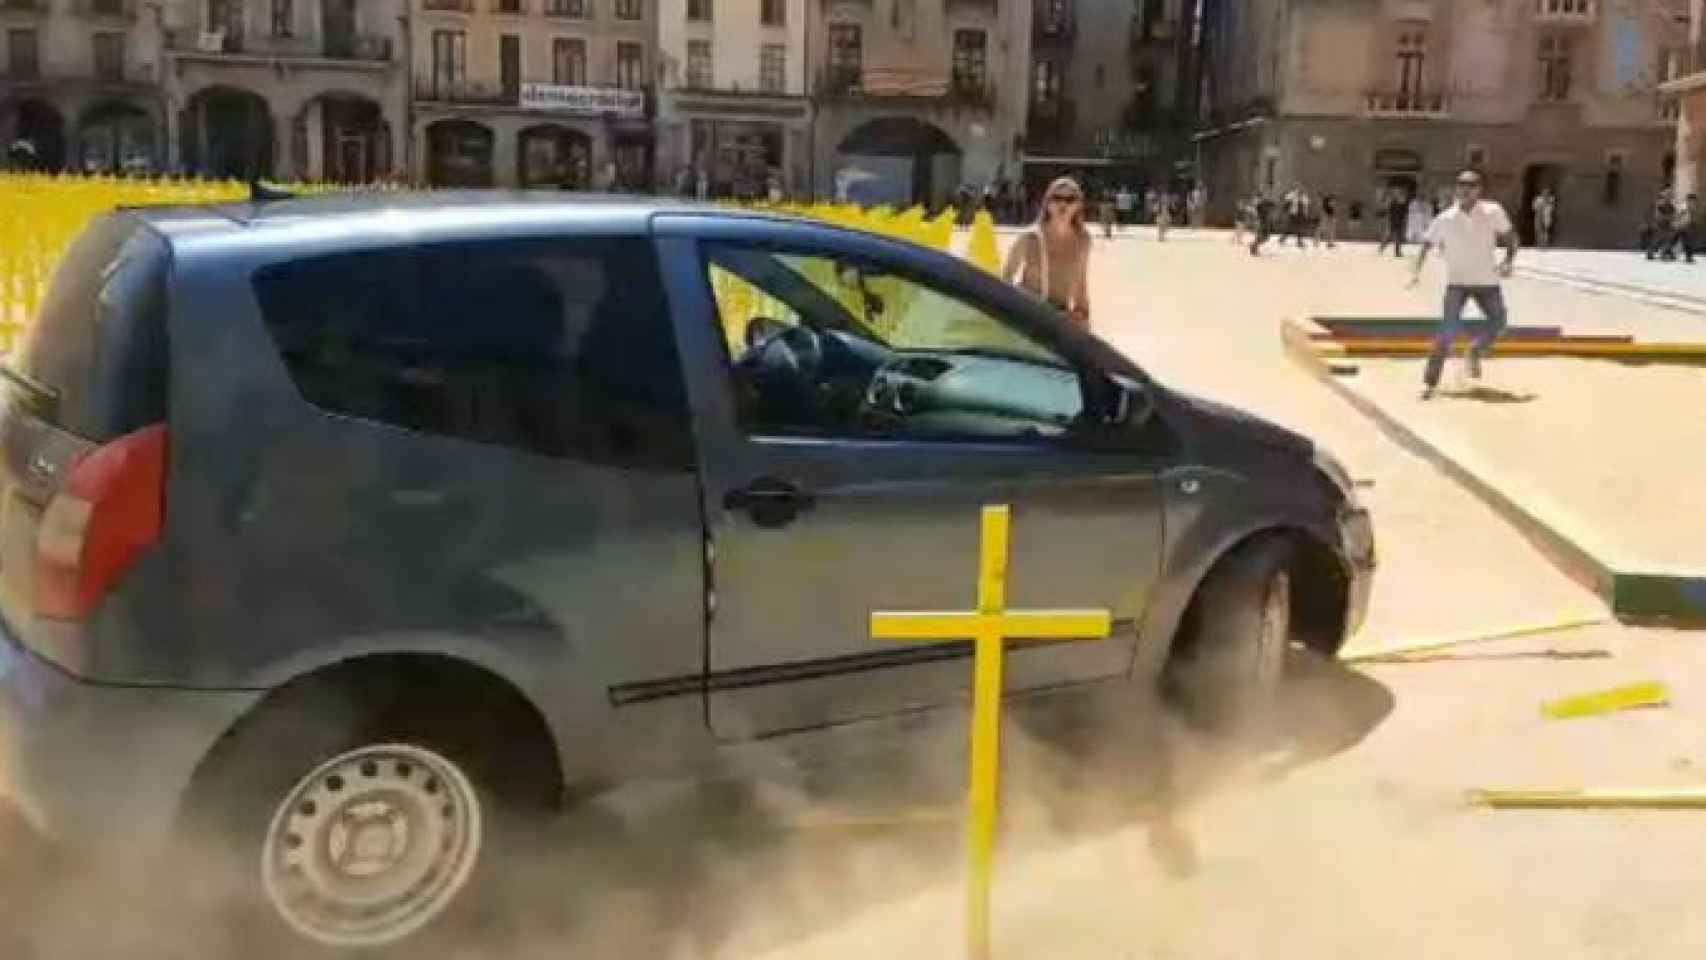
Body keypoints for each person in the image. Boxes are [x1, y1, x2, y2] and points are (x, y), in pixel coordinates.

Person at [1408, 169, 1518, 400]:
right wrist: (1416, 272)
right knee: (1448, 330)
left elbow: (1510, 237)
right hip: (1457, 282)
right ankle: (1430, 381)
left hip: (1487, 281)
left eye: (1472, 185)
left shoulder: (1492, 211)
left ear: (1479, 189)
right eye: (1462, 185)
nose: (1466, 189)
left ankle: (1475, 352)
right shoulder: (1446, 218)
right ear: (1457, 189)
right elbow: (1427, 244)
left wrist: (1508, 260)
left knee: (1499, 324)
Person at [1002, 176, 1093, 328]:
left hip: (1061, 317)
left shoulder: (1083, 239)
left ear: (1078, 205)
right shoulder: (1029, 237)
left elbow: (1080, 283)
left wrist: (1083, 314)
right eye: (1057, 198)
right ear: (1047, 203)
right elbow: (1006, 279)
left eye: (1070, 199)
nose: (1063, 204)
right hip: (1030, 315)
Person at [1377, 188, 1410, 257]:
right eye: (1401, 195)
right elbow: (1387, 211)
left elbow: (1405, 213)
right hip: (1393, 221)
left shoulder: (1404, 204)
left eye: (1403, 196)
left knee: (1398, 237)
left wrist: (1404, 220)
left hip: (1399, 221)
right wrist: (1381, 214)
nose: (1403, 198)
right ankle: (1382, 248)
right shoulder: (1393, 203)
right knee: (1390, 236)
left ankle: (1397, 252)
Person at [1648, 189, 1677, 260]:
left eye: (1670, 196)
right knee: (1658, 238)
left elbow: (1674, 217)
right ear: (1663, 196)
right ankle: (1652, 251)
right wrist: (1667, 218)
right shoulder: (1659, 206)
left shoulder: (1672, 207)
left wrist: (1668, 218)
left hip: (1668, 227)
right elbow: (1658, 217)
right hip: (1659, 226)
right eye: (1667, 196)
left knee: (1672, 235)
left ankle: (1666, 251)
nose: (1668, 198)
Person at [1281, 183, 1311, 248]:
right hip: (1293, 213)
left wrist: (1306, 214)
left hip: (1301, 214)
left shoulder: (1304, 196)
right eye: (1299, 187)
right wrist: (1285, 210)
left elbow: (1306, 206)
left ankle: (1299, 241)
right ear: (1296, 188)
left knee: (1300, 228)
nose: (1300, 189)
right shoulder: (1292, 195)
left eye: (1302, 188)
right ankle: (1283, 238)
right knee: (1290, 227)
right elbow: (1286, 202)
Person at [1249, 191, 1277, 255]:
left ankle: (1253, 246)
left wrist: (1271, 203)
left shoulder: (1263, 203)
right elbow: (1260, 212)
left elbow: (1272, 204)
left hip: (1264, 221)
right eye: (1258, 198)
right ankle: (1253, 248)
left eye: (1259, 197)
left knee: (1265, 237)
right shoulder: (1257, 204)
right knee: (1261, 236)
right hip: (1260, 222)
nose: (1259, 199)